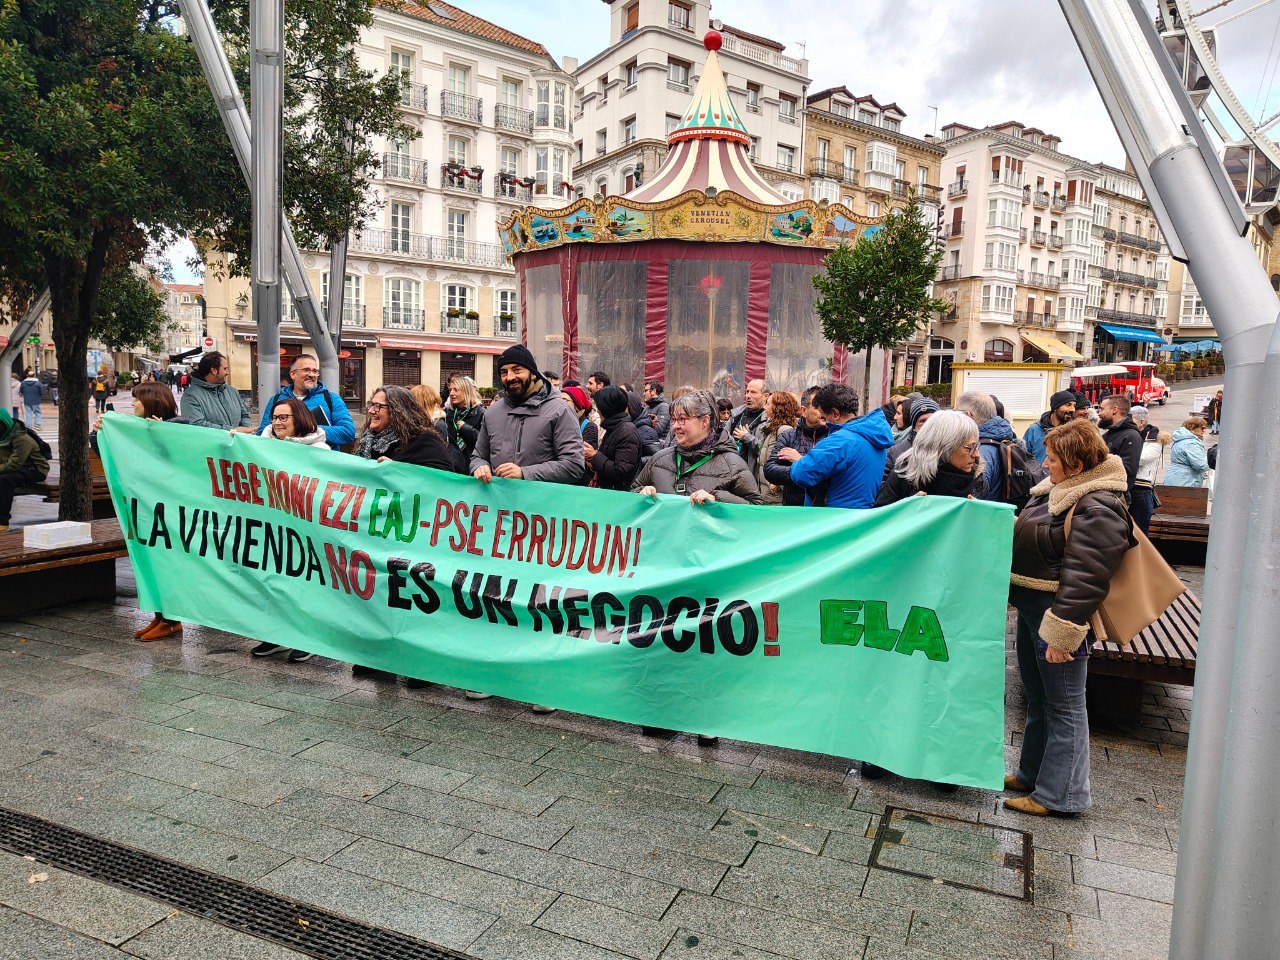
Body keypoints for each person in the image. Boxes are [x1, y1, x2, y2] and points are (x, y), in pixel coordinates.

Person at [1005, 420, 1133, 817]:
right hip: (1035, 611)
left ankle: (1060, 795)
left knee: (1064, 706)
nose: (1045, 464)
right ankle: (1032, 774)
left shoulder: (1098, 505)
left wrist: (1064, 633)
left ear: (1076, 465)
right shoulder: (1061, 490)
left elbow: (1087, 577)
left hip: (1057, 618)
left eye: (1053, 459)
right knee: (1041, 699)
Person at [470, 346, 583, 708]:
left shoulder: (560, 410)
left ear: (532, 372)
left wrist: (526, 473)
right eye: (504, 372)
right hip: (500, 524)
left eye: (516, 370)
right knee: (495, 596)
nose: (509, 378)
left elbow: (574, 465)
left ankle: (543, 684)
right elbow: (478, 453)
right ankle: (493, 673)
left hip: (542, 526)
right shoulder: (493, 411)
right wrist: (478, 466)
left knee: (540, 602)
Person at [633, 391, 761, 505]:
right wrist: (641, 493)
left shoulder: (732, 464)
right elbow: (633, 492)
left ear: (704, 421)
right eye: (674, 420)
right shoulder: (659, 459)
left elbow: (755, 508)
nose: (675, 426)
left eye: (682, 419)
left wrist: (717, 499)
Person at [789, 383, 895, 509]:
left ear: (835, 414)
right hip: (863, 513)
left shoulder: (840, 441)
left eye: (824, 417)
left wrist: (799, 460)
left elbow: (801, 474)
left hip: (836, 515)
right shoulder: (874, 435)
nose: (825, 423)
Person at [873, 410, 986, 507]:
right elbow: (880, 518)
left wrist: (979, 514)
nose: (976, 454)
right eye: (969, 448)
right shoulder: (906, 474)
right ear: (944, 447)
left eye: (976, 446)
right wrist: (905, 509)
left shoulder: (977, 480)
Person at [254, 354, 355, 451]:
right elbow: (262, 433)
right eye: (306, 370)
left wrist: (310, 429)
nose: (311, 375)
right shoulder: (276, 400)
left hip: (321, 459)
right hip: (285, 458)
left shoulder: (332, 399)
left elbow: (348, 432)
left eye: (315, 371)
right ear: (292, 374)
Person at [763, 386, 830, 506]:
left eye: (826, 406)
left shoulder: (834, 437)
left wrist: (801, 462)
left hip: (827, 510)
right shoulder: (789, 436)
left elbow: (834, 476)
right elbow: (770, 469)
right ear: (803, 411)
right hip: (794, 509)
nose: (823, 411)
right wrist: (803, 472)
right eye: (817, 407)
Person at [956, 391, 1014, 504]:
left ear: (967, 416)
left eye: (955, 413)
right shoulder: (1002, 438)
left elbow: (974, 497)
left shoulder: (980, 450)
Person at [0, 408, 50, 533]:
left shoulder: (22, 438)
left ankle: (2, 521)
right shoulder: (3, 436)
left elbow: (14, 465)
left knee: (4, 480)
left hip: (35, 470)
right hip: (17, 468)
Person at [584, 385, 641, 490]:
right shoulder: (613, 428)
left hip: (618, 495)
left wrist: (595, 456)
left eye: (599, 408)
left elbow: (621, 472)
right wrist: (593, 463)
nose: (598, 412)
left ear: (606, 409)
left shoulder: (627, 432)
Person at [181, 352, 253, 432]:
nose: (228, 373)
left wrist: (249, 430)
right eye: (225, 369)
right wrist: (232, 430)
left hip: (238, 439)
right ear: (214, 370)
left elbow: (244, 415)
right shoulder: (191, 396)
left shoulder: (233, 391)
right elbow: (196, 425)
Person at [755, 391, 799, 504]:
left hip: (776, 497)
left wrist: (778, 484)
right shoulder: (771, 429)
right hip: (767, 494)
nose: (764, 407)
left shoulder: (784, 430)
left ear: (777, 408)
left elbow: (789, 461)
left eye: (768, 404)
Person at [882, 398, 938, 485]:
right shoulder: (896, 452)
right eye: (922, 421)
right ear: (914, 426)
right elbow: (883, 486)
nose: (928, 425)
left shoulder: (948, 451)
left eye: (932, 420)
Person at [1097, 394, 1142, 499]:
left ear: (1114, 410)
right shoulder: (1109, 434)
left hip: (1114, 497)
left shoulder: (1131, 436)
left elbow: (1126, 471)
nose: (1099, 413)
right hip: (1104, 495)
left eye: (1102, 409)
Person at [1133, 427, 1171, 535]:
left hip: (1141, 486)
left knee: (1140, 528)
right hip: (1140, 487)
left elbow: (1139, 459)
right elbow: (1139, 459)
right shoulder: (1151, 444)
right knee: (1139, 528)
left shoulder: (1153, 444)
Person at [727, 379, 769, 473]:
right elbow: (722, 439)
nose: (748, 396)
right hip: (731, 470)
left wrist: (746, 437)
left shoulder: (769, 420)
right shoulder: (736, 414)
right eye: (747, 392)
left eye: (753, 392)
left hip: (752, 474)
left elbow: (765, 451)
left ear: (765, 396)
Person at [1022, 390, 1076, 463]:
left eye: (1074, 405)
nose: (1072, 409)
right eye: (1068, 405)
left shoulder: (1073, 431)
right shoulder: (1034, 430)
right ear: (1056, 407)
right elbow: (1023, 458)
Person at [443, 374, 485, 464]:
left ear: (466, 391)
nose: (451, 394)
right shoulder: (448, 412)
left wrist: (466, 429)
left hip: (473, 463)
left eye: (456, 390)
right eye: (450, 390)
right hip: (453, 463)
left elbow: (485, 441)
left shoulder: (480, 413)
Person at [258, 397, 330, 449]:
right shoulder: (261, 448)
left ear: (300, 419)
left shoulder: (320, 450)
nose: (276, 422)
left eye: (283, 418)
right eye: (274, 418)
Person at [1164, 417, 1211, 487]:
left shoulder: (1181, 439)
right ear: (1192, 428)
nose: (1204, 431)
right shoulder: (1191, 443)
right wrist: (1211, 458)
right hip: (1185, 482)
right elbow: (1200, 464)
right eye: (1202, 428)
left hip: (1175, 478)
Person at [560, 385, 599, 449]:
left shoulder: (589, 427)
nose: (560, 403)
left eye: (565, 400)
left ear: (577, 404)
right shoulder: (559, 422)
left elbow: (586, 453)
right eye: (559, 400)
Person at [627, 391, 661, 463]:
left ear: (632, 408)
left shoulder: (647, 432)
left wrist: (633, 462)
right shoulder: (626, 427)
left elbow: (656, 459)